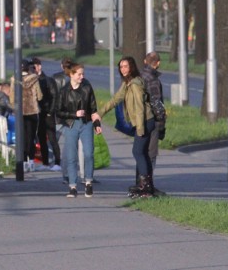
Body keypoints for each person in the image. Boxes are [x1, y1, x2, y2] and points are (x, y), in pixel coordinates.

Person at [98, 56, 156, 199]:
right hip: (143, 121)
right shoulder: (127, 83)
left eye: (126, 66)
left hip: (145, 121)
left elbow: (140, 107)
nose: (123, 69)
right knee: (142, 152)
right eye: (121, 66)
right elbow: (116, 98)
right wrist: (100, 113)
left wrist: (140, 129)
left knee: (137, 151)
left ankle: (144, 185)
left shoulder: (135, 84)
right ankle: (147, 185)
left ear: (132, 67)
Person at [56, 61, 101, 198]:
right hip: (71, 124)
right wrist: (74, 114)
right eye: (79, 74)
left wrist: (97, 123)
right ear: (71, 74)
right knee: (71, 156)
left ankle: (88, 182)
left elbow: (93, 108)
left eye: (83, 74)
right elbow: (58, 111)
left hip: (86, 123)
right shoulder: (64, 91)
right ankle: (72, 186)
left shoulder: (87, 87)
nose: (82, 77)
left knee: (88, 153)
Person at [10, 59, 42, 172]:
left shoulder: (14, 80)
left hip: (20, 112)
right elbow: (40, 96)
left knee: (21, 137)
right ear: (28, 68)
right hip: (32, 111)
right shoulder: (34, 79)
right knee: (31, 137)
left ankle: (23, 162)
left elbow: (12, 97)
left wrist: (15, 106)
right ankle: (31, 162)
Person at [32, 57, 61, 171]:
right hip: (38, 113)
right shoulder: (32, 80)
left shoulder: (48, 80)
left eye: (36, 66)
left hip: (47, 112)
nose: (34, 68)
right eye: (32, 67)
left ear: (40, 66)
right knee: (41, 138)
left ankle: (57, 162)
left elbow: (55, 96)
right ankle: (45, 162)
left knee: (52, 137)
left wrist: (50, 111)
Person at [140, 51, 167, 169]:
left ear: (145, 61)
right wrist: (161, 123)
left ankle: (140, 181)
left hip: (139, 118)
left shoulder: (139, 76)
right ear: (158, 63)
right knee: (151, 153)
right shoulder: (153, 80)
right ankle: (147, 182)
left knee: (140, 152)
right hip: (152, 120)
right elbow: (157, 103)